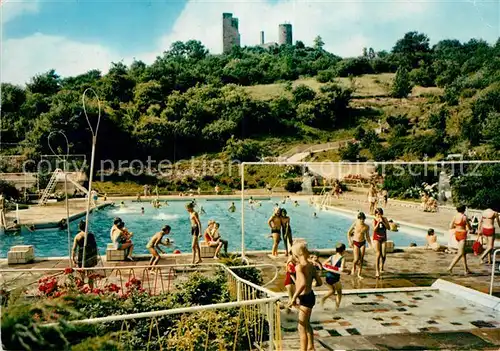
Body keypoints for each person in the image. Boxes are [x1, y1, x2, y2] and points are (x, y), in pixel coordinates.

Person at [287, 241, 322, 351]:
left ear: (296, 255)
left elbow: (301, 284)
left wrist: (293, 297)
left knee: (301, 326)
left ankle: (303, 349)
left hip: (305, 298)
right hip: (310, 296)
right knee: (307, 324)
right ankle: (311, 346)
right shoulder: (311, 265)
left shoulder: (299, 267)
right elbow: (319, 282)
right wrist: (311, 284)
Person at [321, 243, 349, 309]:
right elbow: (341, 269)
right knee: (339, 293)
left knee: (332, 291)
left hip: (328, 276)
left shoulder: (332, 256)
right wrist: (348, 270)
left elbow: (323, 263)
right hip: (335, 278)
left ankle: (323, 299)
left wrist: (331, 267)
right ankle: (337, 308)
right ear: (343, 250)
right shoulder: (342, 258)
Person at [447, 205, 472, 275]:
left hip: (457, 234)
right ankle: (450, 267)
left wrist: (457, 226)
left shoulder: (455, 216)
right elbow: (470, 227)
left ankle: (466, 269)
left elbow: (450, 226)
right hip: (462, 235)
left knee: (463, 253)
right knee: (460, 253)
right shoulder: (464, 217)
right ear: (464, 209)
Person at [347, 212, 371, 279]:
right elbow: (348, 233)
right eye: (360, 219)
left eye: (363, 219)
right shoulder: (355, 224)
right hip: (356, 243)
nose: (361, 220)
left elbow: (367, 236)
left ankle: (359, 274)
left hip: (362, 243)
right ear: (358, 219)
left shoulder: (366, 226)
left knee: (361, 259)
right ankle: (353, 268)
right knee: (356, 259)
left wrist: (370, 244)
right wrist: (349, 241)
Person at [373, 208, 391, 278]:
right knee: (378, 254)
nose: (378, 215)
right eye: (377, 213)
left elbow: (389, 228)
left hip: (383, 238)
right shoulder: (374, 219)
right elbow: (374, 229)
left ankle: (382, 266)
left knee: (384, 254)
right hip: (376, 238)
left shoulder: (385, 219)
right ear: (375, 214)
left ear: (382, 214)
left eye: (380, 213)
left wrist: (382, 222)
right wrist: (378, 222)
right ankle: (377, 270)